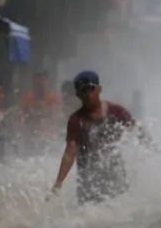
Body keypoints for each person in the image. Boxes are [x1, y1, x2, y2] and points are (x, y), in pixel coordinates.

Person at [53, 71, 140, 203]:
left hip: (114, 176)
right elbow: (70, 151)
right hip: (88, 181)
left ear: (99, 89)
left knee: (121, 211)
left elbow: (136, 131)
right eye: (83, 91)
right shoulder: (76, 120)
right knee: (90, 216)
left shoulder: (116, 112)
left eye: (90, 89)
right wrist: (58, 183)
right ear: (78, 95)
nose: (87, 94)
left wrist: (152, 150)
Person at [19, 70, 63, 153]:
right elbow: (21, 116)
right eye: (38, 81)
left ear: (48, 82)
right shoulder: (28, 97)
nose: (41, 84)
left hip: (49, 138)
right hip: (31, 136)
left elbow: (57, 117)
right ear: (34, 82)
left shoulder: (53, 98)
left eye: (44, 81)